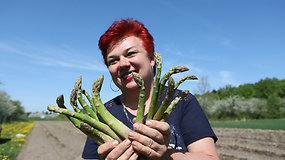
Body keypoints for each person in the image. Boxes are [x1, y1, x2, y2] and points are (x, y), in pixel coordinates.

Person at [82, 18, 219, 160]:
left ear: (152, 58)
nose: (122, 64)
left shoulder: (182, 101)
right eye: (113, 60)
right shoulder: (102, 114)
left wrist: (165, 155)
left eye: (130, 53)